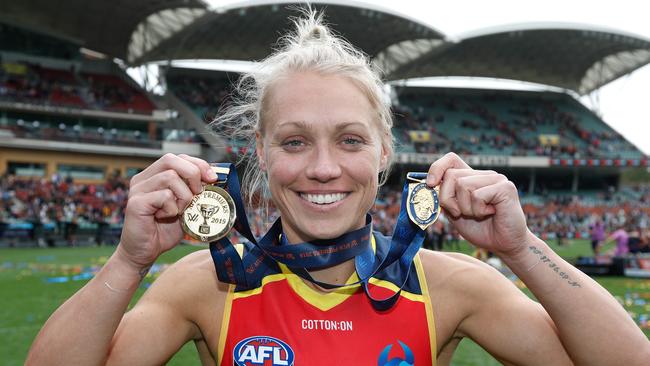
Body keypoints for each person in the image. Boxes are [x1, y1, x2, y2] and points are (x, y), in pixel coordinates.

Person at [27, 10, 649, 365]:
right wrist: (129, 260)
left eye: (350, 141)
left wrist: (521, 249)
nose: (323, 168)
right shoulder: (207, 284)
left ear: (383, 154)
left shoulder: (450, 286)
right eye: (294, 142)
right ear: (262, 156)